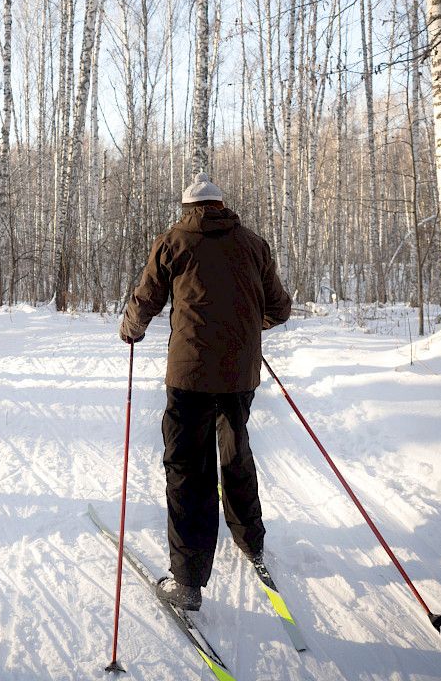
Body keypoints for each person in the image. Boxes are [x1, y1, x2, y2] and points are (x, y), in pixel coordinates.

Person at [119, 172, 292, 611]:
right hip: (239, 375)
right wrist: (250, 328)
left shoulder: (173, 241)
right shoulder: (253, 244)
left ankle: (189, 581)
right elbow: (279, 308)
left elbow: (146, 300)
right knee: (235, 450)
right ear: (220, 205)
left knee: (187, 469)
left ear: (187, 207)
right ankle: (250, 540)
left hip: (190, 376)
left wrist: (130, 331)